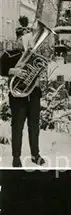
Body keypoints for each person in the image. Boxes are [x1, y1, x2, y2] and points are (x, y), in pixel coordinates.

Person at [0, 16, 45, 167]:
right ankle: (16, 156)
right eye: (23, 39)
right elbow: (1, 69)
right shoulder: (8, 55)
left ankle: (35, 154)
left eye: (28, 39)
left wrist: (39, 76)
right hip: (17, 96)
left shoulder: (34, 56)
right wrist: (12, 71)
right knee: (17, 127)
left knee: (34, 127)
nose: (25, 42)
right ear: (18, 40)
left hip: (34, 94)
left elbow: (39, 71)